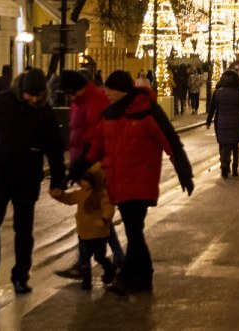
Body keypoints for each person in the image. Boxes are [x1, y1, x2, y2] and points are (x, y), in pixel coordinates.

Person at [70, 70, 194, 295]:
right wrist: (76, 168)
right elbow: (94, 147)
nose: (106, 92)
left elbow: (170, 140)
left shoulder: (147, 111)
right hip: (118, 182)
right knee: (133, 231)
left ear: (122, 91)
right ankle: (144, 277)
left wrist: (183, 171)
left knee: (134, 230)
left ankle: (126, 276)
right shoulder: (109, 114)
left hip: (141, 180)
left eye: (110, 89)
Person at [0, 68, 65, 295]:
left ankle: (21, 277)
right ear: (22, 89)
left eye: (38, 96)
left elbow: (55, 148)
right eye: (30, 95)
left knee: (23, 231)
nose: (33, 100)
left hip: (26, 177)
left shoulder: (44, 111)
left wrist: (57, 180)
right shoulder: (2, 102)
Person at [54, 69, 123, 279]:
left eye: (71, 93)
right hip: (82, 163)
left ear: (78, 88)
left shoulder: (97, 99)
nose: (70, 97)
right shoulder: (79, 101)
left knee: (95, 212)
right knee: (95, 215)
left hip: (96, 164)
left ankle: (87, 262)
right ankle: (115, 257)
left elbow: (98, 136)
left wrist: (83, 163)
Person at [49, 164, 116, 290]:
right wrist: (58, 195)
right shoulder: (80, 193)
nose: (82, 183)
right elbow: (69, 198)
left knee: (99, 256)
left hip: (99, 234)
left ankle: (109, 269)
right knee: (84, 257)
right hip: (84, 233)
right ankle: (86, 279)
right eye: (80, 181)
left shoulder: (102, 194)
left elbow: (109, 208)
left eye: (85, 180)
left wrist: (103, 219)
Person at [206, 69, 239, 177]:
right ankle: (235, 168)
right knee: (235, 146)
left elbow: (212, 108)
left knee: (223, 144)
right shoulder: (238, 92)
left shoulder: (218, 93)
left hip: (222, 122)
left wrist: (208, 121)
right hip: (236, 122)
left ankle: (224, 163)